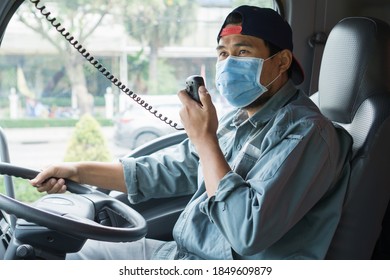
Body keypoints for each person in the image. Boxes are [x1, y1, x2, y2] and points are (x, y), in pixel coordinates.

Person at [30, 5, 352, 260]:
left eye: (242, 52)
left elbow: (246, 233)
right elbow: (172, 168)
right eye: (222, 54)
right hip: (180, 256)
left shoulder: (308, 134)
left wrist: (205, 139)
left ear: (281, 62)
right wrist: (77, 170)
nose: (227, 64)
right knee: (72, 247)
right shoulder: (239, 119)